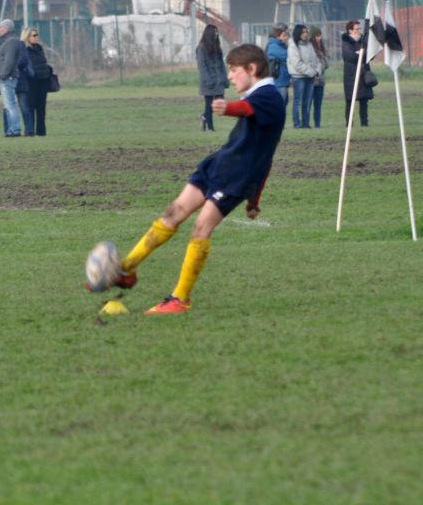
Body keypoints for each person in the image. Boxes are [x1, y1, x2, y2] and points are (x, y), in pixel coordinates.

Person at [111, 44, 286, 314]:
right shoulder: (258, 95)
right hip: (218, 166)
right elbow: (266, 152)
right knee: (174, 212)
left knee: (201, 227)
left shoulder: (269, 96)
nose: (230, 76)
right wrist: (256, 199)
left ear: (251, 69)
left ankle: (179, 299)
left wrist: (226, 108)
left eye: (234, 70)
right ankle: (126, 268)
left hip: (236, 178)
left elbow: (246, 111)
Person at [196, 24, 229, 131]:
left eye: (217, 32)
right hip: (208, 82)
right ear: (209, 33)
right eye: (214, 32)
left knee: (219, 104)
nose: (216, 34)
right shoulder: (201, 48)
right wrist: (209, 80)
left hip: (219, 81)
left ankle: (204, 117)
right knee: (209, 104)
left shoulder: (217, 47)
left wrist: (225, 79)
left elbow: (222, 65)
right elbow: (202, 66)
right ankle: (210, 127)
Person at [342, 20, 374, 127]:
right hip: (351, 75)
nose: (359, 30)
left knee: (364, 100)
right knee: (350, 101)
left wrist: (361, 53)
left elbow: (369, 55)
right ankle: (349, 124)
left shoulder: (363, 41)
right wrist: (360, 54)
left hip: (363, 74)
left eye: (359, 28)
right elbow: (349, 56)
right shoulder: (346, 42)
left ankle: (364, 123)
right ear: (350, 30)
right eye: (356, 29)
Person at [0, 19, 23, 137]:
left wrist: (3, 75)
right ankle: (11, 129)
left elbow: (9, 61)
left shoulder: (11, 42)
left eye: (0, 27)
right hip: (6, 77)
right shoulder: (6, 41)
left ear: (6, 28)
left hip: (8, 78)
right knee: (8, 105)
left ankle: (15, 130)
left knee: (10, 105)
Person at [287, 24, 319, 129]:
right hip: (298, 77)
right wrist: (311, 72)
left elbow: (315, 59)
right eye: (303, 32)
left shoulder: (309, 45)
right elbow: (297, 63)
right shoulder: (293, 46)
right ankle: (297, 124)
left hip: (310, 77)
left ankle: (306, 123)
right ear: (298, 33)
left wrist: (317, 70)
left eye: (306, 32)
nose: (305, 34)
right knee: (298, 101)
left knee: (307, 101)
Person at [23, 27, 52, 136]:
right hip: (31, 81)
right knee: (31, 106)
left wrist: (48, 70)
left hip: (43, 80)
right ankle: (30, 131)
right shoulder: (24, 50)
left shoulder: (39, 48)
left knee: (41, 107)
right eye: (34, 35)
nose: (36, 37)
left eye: (36, 35)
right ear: (27, 37)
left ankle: (41, 131)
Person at [265, 23, 291, 104]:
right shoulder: (273, 46)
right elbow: (288, 56)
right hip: (279, 81)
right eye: (284, 35)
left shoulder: (280, 45)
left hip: (283, 80)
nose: (287, 37)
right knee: (280, 106)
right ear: (277, 35)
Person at [309, 26, 329, 129]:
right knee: (308, 104)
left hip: (320, 81)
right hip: (311, 81)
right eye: (317, 36)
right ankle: (306, 124)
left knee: (318, 105)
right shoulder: (309, 48)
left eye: (320, 36)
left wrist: (324, 62)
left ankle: (317, 124)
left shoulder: (321, 49)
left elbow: (326, 64)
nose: (320, 38)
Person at [16, 34, 35, 136]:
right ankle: (12, 130)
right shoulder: (21, 45)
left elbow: (24, 61)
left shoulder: (20, 45)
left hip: (20, 80)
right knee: (10, 106)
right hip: (15, 79)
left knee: (23, 106)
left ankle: (29, 130)